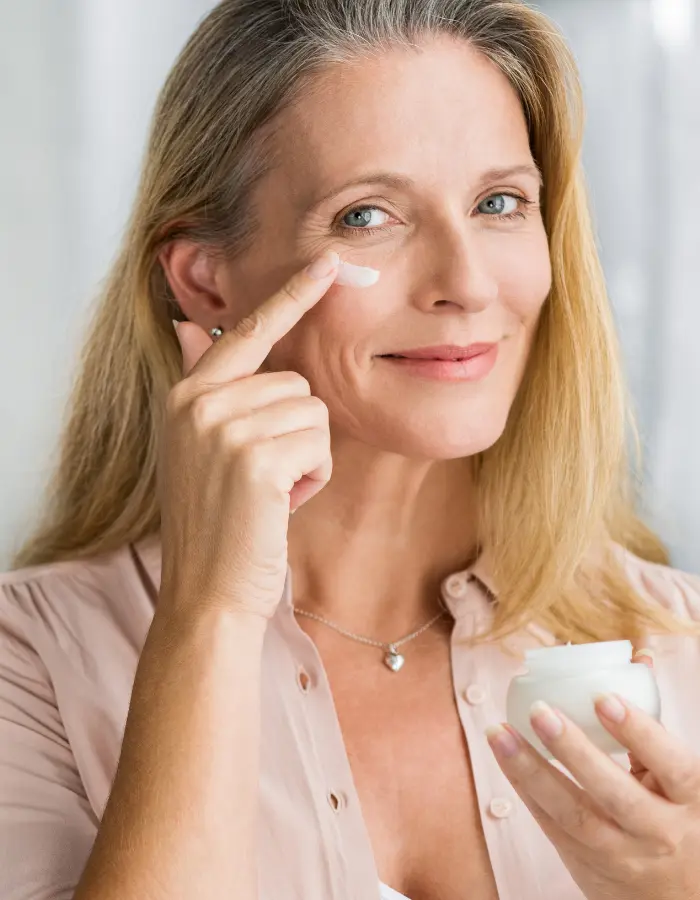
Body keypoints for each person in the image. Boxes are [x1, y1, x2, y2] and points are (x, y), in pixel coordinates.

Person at [2, 1, 700, 898]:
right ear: (204, 279)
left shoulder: (679, 647)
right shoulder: (31, 662)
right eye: (368, 216)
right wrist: (211, 614)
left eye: (499, 203)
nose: (467, 282)